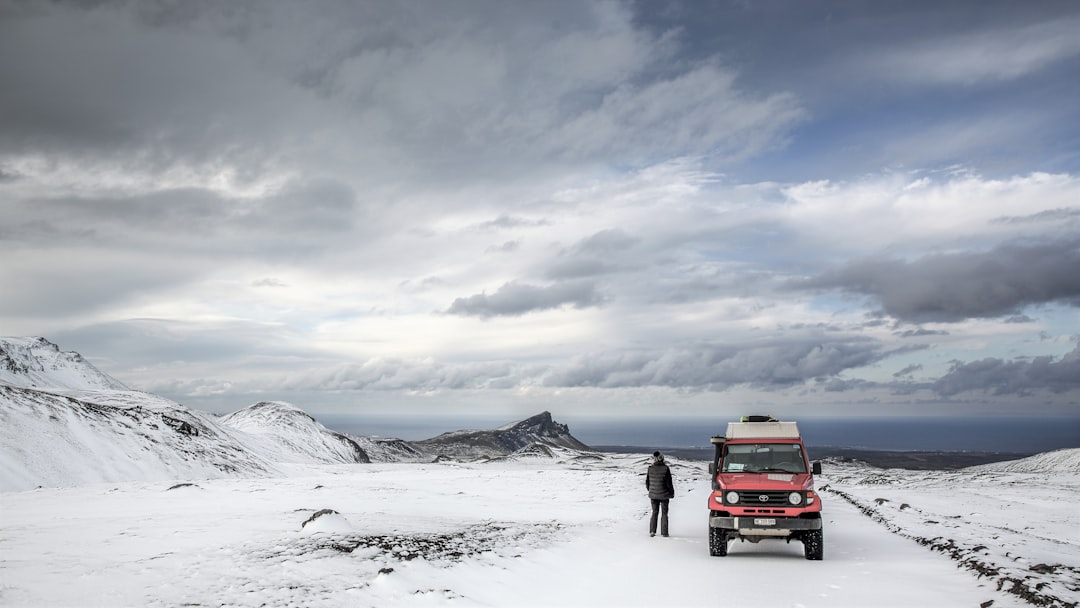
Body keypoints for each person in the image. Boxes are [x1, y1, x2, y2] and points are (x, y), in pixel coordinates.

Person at [645, 450, 675, 537]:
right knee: (664, 513)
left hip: (653, 495)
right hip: (664, 495)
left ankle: (652, 531)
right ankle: (664, 533)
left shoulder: (650, 468)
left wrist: (651, 490)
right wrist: (671, 493)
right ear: (662, 459)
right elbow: (669, 483)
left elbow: (647, 482)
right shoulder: (666, 468)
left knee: (654, 512)